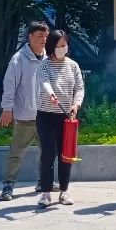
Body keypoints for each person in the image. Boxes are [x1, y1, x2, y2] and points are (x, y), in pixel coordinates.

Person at [34, 30, 85, 208]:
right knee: (48, 153)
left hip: (66, 116)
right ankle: (46, 192)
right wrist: (51, 95)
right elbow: (44, 82)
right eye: (59, 46)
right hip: (46, 115)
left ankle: (64, 190)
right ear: (51, 47)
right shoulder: (44, 65)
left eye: (65, 45)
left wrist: (76, 105)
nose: (63, 48)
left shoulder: (73, 66)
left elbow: (80, 88)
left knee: (66, 154)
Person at [0, 21, 49, 200]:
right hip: (25, 115)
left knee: (48, 152)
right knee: (17, 152)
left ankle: (44, 182)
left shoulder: (49, 58)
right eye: (39, 36)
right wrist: (7, 108)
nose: (43, 40)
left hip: (46, 115)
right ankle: (8, 185)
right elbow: (10, 85)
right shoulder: (19, 59)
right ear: (30, 37)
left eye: (45, 36)